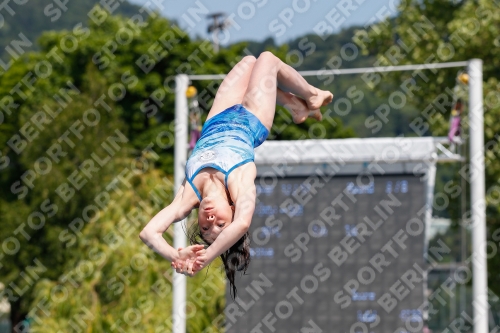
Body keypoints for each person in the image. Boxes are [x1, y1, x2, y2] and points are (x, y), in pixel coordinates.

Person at [139, 51, 333, 297]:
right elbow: (242, 223)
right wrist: (207, 257)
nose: (210, 222)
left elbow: (148, 232)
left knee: (248, 64)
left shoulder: (187, 197)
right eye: (221, 223)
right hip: (252, 118)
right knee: (267, 60)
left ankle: (296, 107)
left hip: (217, 118)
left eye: (206, 229)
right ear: (231, 208)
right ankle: (312, 95)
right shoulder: (240, 184)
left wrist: (175, 254)